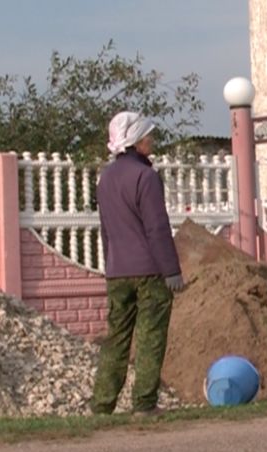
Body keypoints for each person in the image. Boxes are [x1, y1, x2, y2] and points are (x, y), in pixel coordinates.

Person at [90, 111, 185, 416]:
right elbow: (156, 228)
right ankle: (144, 403)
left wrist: (112, 265)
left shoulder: (105, 179)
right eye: (149, 136)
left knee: (116, 338)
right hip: (149, 271)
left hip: (117, 272)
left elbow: (106, 230)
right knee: (150, 336)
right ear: (137, 142)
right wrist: (171, 270)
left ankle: (102, 405)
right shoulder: (146, 177)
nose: (152, 141)